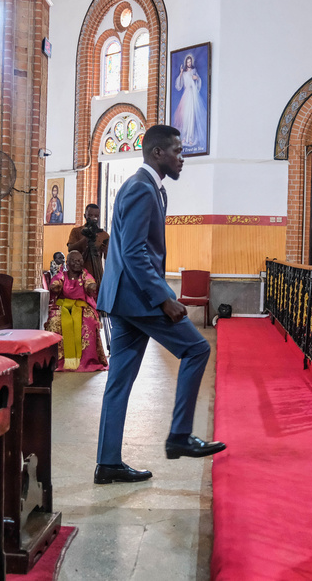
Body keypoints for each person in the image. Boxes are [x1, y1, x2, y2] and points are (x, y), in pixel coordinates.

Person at [94, 125, 224, 485]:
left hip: (124, 299)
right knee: (197, 349)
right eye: (177, 151)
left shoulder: (146, 186)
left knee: (118, 382)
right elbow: (134, 252)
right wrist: (164, 298)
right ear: (157, 153)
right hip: (139, 300)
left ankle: (108, 462)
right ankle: (180, 436)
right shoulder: (142, 188)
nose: (182, 158)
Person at [45, 250, 107, 372]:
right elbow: (56, 283)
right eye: (75, 261)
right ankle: (58, 360)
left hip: (82, 305)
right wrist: (55, 287)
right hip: (63, 305)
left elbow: (90, 284)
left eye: (80, 260)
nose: (78, 263)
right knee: (54, 320)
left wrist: (91, 287)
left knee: (88, 321)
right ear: (68, 263)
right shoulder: (62, 275)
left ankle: (87, 360)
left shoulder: (85, 275)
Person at [67, 203, 109, 282]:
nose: (93, 218)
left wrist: (105, 249)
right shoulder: (76, 231)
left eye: (96, 216)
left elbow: (108, 258)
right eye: (90, 215)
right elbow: (70, 249)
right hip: (79, 274)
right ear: (85, 216)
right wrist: (85, 239)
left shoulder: (104, 235)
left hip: (96, 273)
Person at [172, 53, 205, 148]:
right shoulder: (184, 73)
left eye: (190, 62)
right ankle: (184, 136)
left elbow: (198, 81)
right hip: (186, 95)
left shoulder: (194, 71)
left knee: (192, 116)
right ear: (186, 63)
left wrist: (197, 78)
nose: (189, 63)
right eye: (188, 62)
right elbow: (179, 85)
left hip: (192, 95)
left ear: (191, 62)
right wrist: (181, 73)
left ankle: (190, 138)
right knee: (185, 116)